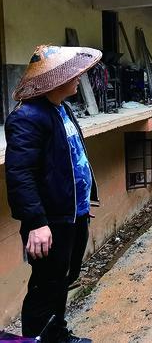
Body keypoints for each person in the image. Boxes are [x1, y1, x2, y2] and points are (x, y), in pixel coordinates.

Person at [5, 45, 102, 343]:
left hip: (75, 214)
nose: (78, 77)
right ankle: (37, 340)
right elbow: (20, 174)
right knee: (46, 287)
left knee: (64, 279)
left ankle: (57, 335)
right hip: (50, 222)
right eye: (71, 74)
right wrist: (35, 222)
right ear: (54, 80)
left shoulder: (61, 108)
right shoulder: (27, 118)